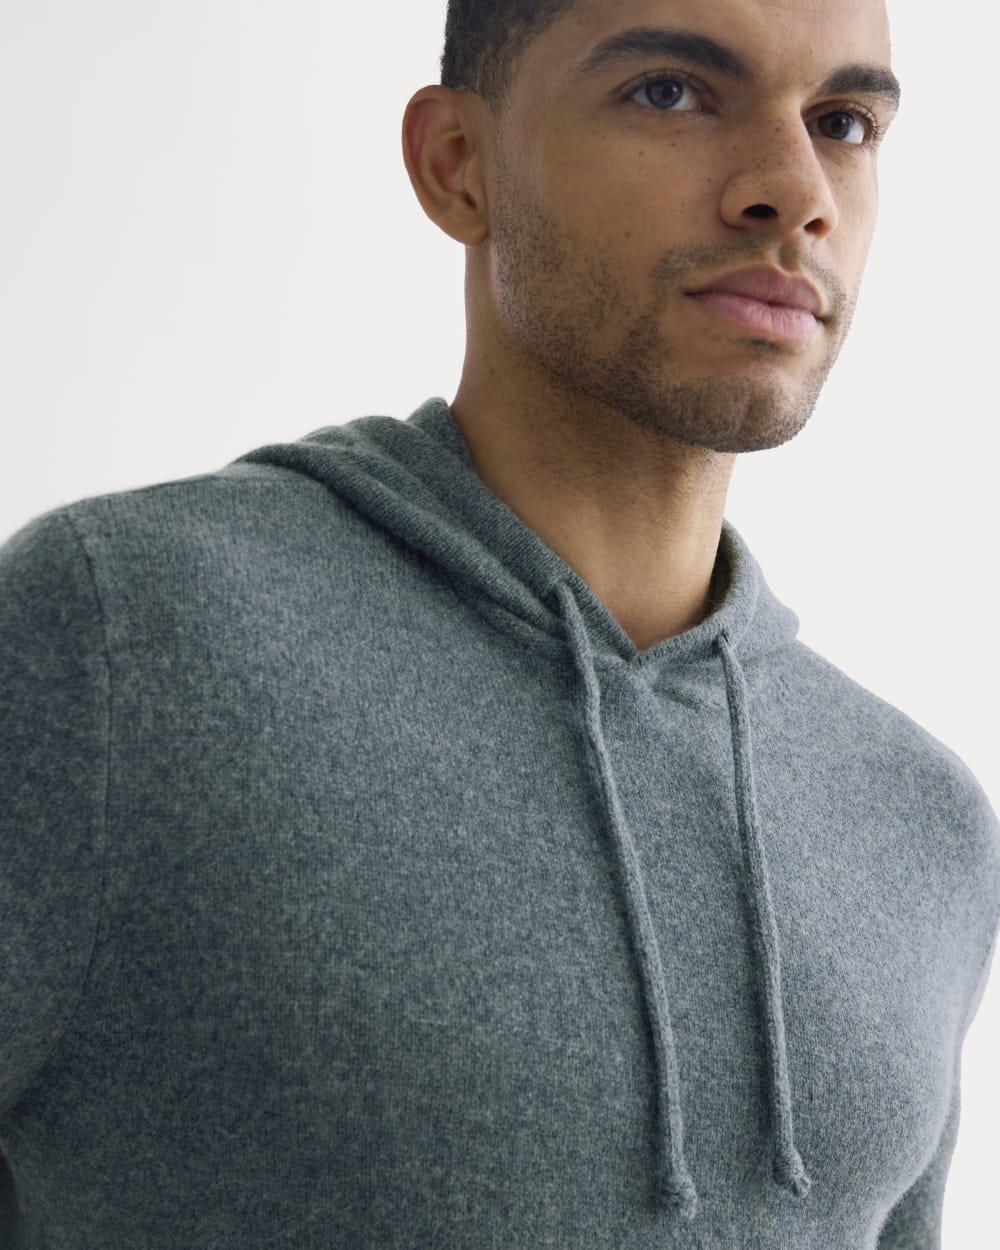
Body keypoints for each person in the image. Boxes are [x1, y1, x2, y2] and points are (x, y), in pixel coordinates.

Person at [1, 0, 997, 1245]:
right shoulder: (121, 642)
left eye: (842, 123)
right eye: (671, 92)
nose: (793, 194)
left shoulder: (921, 819)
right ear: (457, 164)